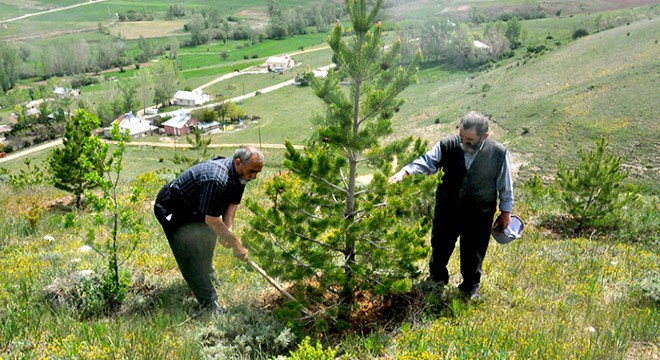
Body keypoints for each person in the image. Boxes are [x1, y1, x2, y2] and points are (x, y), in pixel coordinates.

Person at [389, 111, 513, 300]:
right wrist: (404, 173)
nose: (464, 142)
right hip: (447, 209)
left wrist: (506, 212)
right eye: (462, 136)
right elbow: (426, 162)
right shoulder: (447, 145)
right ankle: (437, 279)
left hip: (479, 213)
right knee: (440, 245)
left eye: (470, 139)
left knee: (474, 251)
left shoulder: (498, 153)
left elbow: (505, 185)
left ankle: (470, 288)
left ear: (485, 136)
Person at [154, 146, 264, 312]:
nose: (254, 177)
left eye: (257, 173)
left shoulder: (240, 176)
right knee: (190, 256)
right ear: (238, 162)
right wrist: (236, 243)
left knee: (207, 240)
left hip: (197, 208)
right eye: (252, 171)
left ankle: (207, 275)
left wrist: (227, 232)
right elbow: (211, 219)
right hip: (173, 209)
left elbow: (231, 207)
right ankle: (210, 305)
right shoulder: (216, 178)